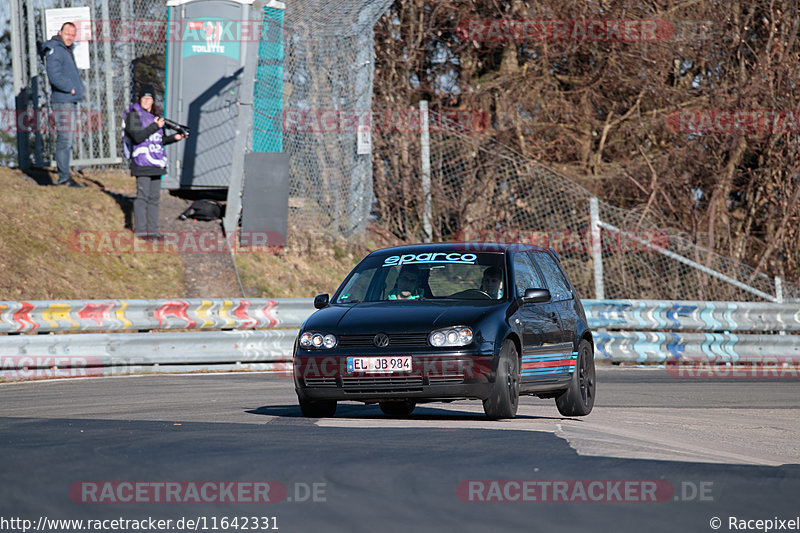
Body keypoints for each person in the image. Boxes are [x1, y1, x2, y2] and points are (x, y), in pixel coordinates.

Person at [122, 84, 185, 238]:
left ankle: (153, 231)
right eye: (144, 98)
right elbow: (138, 137)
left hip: (156, 163)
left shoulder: (155, 117)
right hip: (141, 162)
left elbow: (157, 141)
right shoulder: (133, 115)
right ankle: (141, 231)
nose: (146, 101)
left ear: (153, 101)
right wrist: (155, 125)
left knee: (154, 198)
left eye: (149, 98)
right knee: (142, 196)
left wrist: (174, 138)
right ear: (140, 99)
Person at [42, 22, 85, 187]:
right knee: (65, 139)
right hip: (63, 100)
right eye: (68, 33)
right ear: (60, 32)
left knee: (68, 140)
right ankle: (64, 178)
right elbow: (54, 75)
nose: (71, 37)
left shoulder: (65, 50)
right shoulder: (55, 49)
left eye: (73, 35)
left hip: (69, 100)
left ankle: (65, 176)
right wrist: (71, 88)